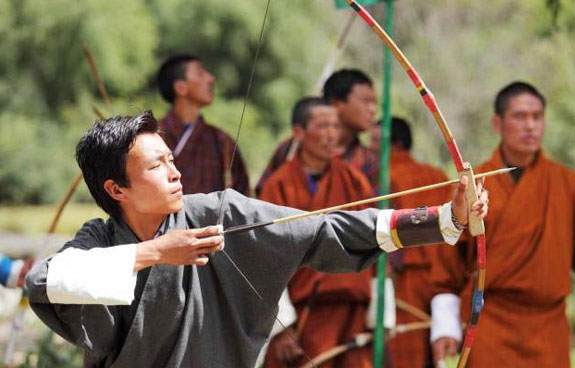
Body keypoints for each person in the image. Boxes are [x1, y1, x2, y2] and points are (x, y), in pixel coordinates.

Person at [25, 111, 487, 368]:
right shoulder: (100, 238)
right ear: (116, 190)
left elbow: (320, 227)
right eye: (155, 166)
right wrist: (156, 254)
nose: (174, 172)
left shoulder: (217, 214)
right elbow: (43, 282)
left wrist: (446, 218)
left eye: (171, 159)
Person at [429, 81, 575, 368]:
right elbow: (447, 263)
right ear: (497, 123)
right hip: (490, 325)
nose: (531, 126)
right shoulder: (473, 183)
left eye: (537, 116)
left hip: (548, 329)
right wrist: (445, 324)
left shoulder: (566, 184)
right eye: (520, 116)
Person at [260, 97, 377, 367]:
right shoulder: (278, 186)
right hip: (303, 315)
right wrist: (281, 327)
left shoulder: (354, 180)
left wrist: (381, 315)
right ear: (299, 132)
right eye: (322, 126)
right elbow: (265, 259)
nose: (331, 134)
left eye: (335, 126)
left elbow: (377, 241)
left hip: (353, 312)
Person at [384, 117, 452, 368]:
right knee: (437, 356)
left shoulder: (383, 176)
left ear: (394, 143)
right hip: (442, 279)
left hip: (404, 279)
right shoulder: (439, 176)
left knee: (405, 355)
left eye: (374, 143)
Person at [255, 69, 378, 194]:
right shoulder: (291, 148)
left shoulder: (369, 161)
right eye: (366, 101)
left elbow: (376, 209)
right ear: (336, 104)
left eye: (374, 103)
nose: (373, 109)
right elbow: (264, 200)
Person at [157, 54, 250, 195]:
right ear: (180, 87)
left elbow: (242, 198)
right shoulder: (152, 137)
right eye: (200, 73)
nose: (211, 79)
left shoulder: (222, 141)